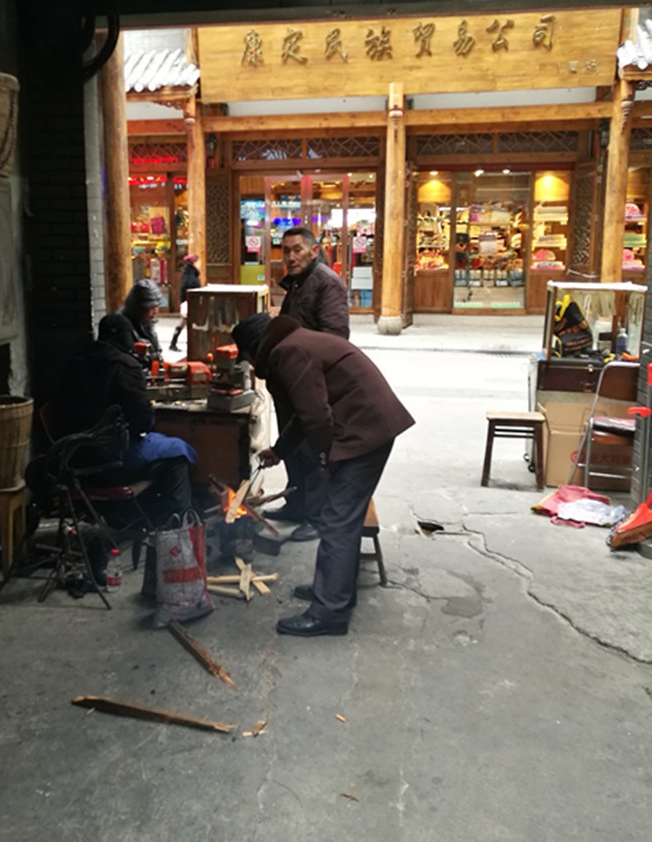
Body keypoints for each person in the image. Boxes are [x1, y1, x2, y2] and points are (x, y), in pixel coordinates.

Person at [232, 312, 414, 638]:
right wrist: (281, 450)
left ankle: (329, 612)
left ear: (253, 350)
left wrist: (323, 461)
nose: (249, 365)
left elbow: (316, 417)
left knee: (336, 521)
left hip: (365, 430)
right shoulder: (293, 343)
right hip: (367, 425)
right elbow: (306, 413)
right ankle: (334, 590)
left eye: (245, 357)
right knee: (342, 519)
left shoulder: (288, 352)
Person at [58, 314, 196, 524]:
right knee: (178, 451)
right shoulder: (123, 366)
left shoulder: (73, 361)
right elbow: (143, 422)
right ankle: (178, 526)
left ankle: (133, 516)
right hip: (111, 460)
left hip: (73, 457)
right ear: (126, 337)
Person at [266, 225, 350, 543]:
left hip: (312, 382)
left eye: (297, 250)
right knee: (293, 449)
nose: (290, 257)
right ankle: (297, 505)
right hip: (292, 380)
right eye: (286, 251)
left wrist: (312, 378)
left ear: (314, 251)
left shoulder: (327, 283)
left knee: (315, 453)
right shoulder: (298, 283)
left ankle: (317, 517)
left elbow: (335, 338)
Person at [121, 278, 163, 362]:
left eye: (157, 306)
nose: (155, 312)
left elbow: (157, 350)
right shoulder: (122, 327)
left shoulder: (146, 323)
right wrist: (152, 358)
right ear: (139, 308)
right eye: (151, 308)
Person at [169, 253, 202, 352]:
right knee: (191, 324)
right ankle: (191, 345)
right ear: (194, 263)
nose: (200, 264)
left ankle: (174, 343)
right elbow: (188, 289)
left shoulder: (189, 273)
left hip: (187, 302)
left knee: (184, 323)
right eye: (198, 262)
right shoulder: (191, 276)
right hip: (191, 303)